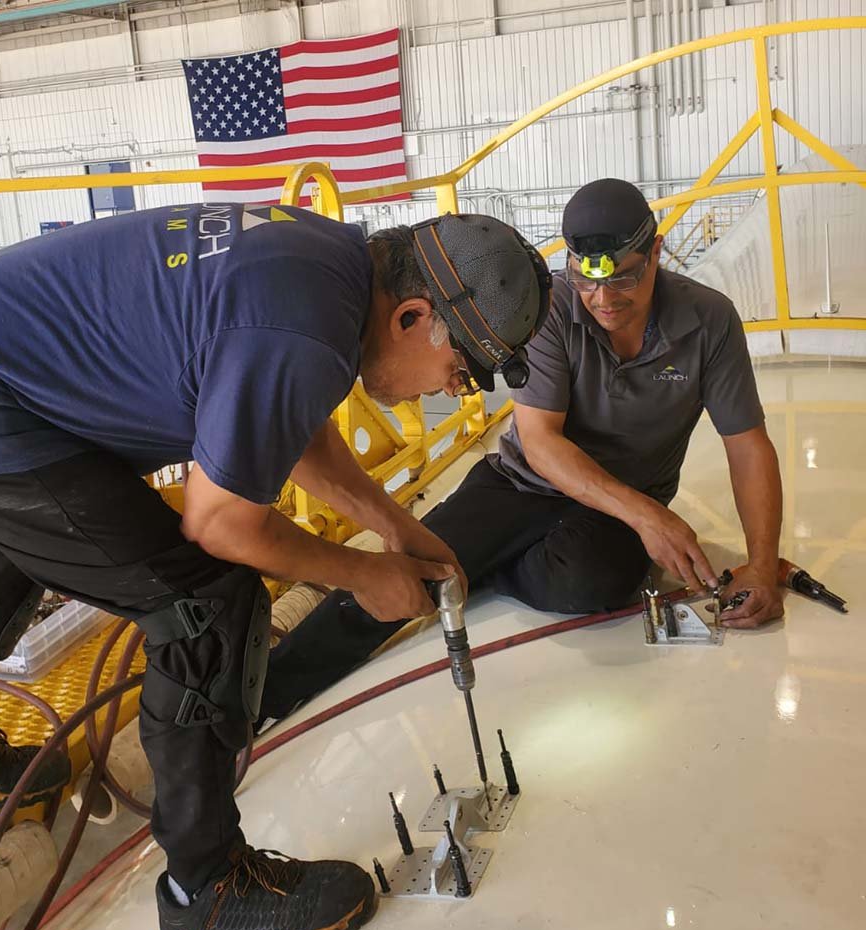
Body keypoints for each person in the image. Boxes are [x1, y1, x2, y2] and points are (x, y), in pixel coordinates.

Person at [0, 202, 550, 930]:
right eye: (458, 370)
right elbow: (219, 526)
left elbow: (286, 422)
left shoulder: (332, 265)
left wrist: (396, 528)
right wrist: (366, 573)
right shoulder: (303, 326)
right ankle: (207, 893)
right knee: (209, 604)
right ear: (413, 315)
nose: (455, 392)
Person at [262, 178, 784, 726]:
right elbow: (540, 442)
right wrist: (649, 519)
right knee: (416, 569)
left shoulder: (710, 321)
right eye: (586, 279)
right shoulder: (551, 306)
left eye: (625, 278)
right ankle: (262, 698)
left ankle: (483, 566)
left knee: (592, 582)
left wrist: (764, 565)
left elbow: (747, 446)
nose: (604, 299)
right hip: (523, 482)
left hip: (622, 499)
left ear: (656, 251)